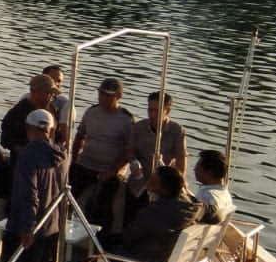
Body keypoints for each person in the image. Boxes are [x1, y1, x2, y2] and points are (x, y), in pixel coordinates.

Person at [6, 108, 66, 262]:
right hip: (51, 225)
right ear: (50, 130)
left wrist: (27, 227)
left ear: (29, 129)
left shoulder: (29, 155)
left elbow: (29, 193)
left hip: (31, 226)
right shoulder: (61, 154)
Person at [70, 77, 135, 230]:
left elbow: (129, 150)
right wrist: (74, 159)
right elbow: (80, 136)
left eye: (108, 95)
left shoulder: (126, 119)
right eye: (101, 94)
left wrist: (114, 170)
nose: (103, 98)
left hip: (109, 170)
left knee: (103, 203)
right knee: (67, 189)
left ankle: (102, 237)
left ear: (118, 96)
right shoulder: (91, 112)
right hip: (85, 163)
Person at [118, 165, 204, 262]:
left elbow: (129, 236)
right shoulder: (191, 207)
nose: (148, 185)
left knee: (95, 257)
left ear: (165, 189)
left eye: (152, 182)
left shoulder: (157, 212)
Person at [127, 92, 188, 220]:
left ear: (167, 110)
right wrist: (133, 162)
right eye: (150, 110)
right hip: (140, 183)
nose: (152, 114)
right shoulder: (139, 127)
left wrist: (175, 185)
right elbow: (130, 150)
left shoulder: (177, 131)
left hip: (163, 188)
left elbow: (181, 164)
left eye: (157, 110)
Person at [0, 74, 57, 164]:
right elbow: (5, 139)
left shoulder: (51, 110)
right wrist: (23, 151)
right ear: (34, 91)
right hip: (22, 164)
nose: (51, 97)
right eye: (48, 93)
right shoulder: (17, 112)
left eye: (52, 94)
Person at [193, 149, 235, 223]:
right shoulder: (225, 193)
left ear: (210, 172)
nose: (194, 169)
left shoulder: (205, 196)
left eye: (198, 167)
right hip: (216, 233)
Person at [42, 65, 71, 144]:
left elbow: (64, 136)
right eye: (52, 80)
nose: (55, 84)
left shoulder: (65, 104)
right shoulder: (27, 98)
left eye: (59, 81)